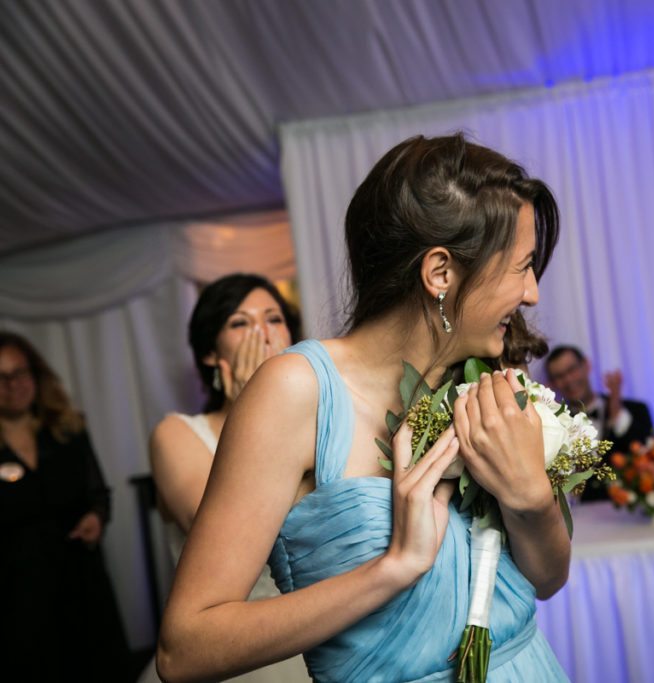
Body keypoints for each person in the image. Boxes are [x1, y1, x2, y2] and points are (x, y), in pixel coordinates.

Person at [157, 134, 570, 682]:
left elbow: (546, 581)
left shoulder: (485, 378)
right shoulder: (295, 391)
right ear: (440, 273)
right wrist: (393, 567)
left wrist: (532, 499)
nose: (533, 293)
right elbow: (184, 651)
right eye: (520, 267)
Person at [140, 273, 309, 683]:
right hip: (240, 653)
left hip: (324, 630)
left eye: (273, 319)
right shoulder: (176, 433)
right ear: (211, 353)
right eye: (240, 323)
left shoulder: (326, 425)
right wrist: (257, 404)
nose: (262, 333)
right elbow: (227, 536)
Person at [0, 331, 131, 681]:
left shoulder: (68, 429)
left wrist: (95, 518)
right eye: (2, 377)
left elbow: (97, 493)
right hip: (17, 595)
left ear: (36, 375)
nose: (12, 384)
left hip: (81, 580)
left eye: (20, 372)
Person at [544, 345, 654, 501]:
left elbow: (648, 456)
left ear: (586, 366)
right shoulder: (553, 427)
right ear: (553, 384)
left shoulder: (636, 410)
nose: (568, 380)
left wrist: (616, 414)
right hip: (584, 520)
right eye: (560, 376)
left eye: (572, 370)